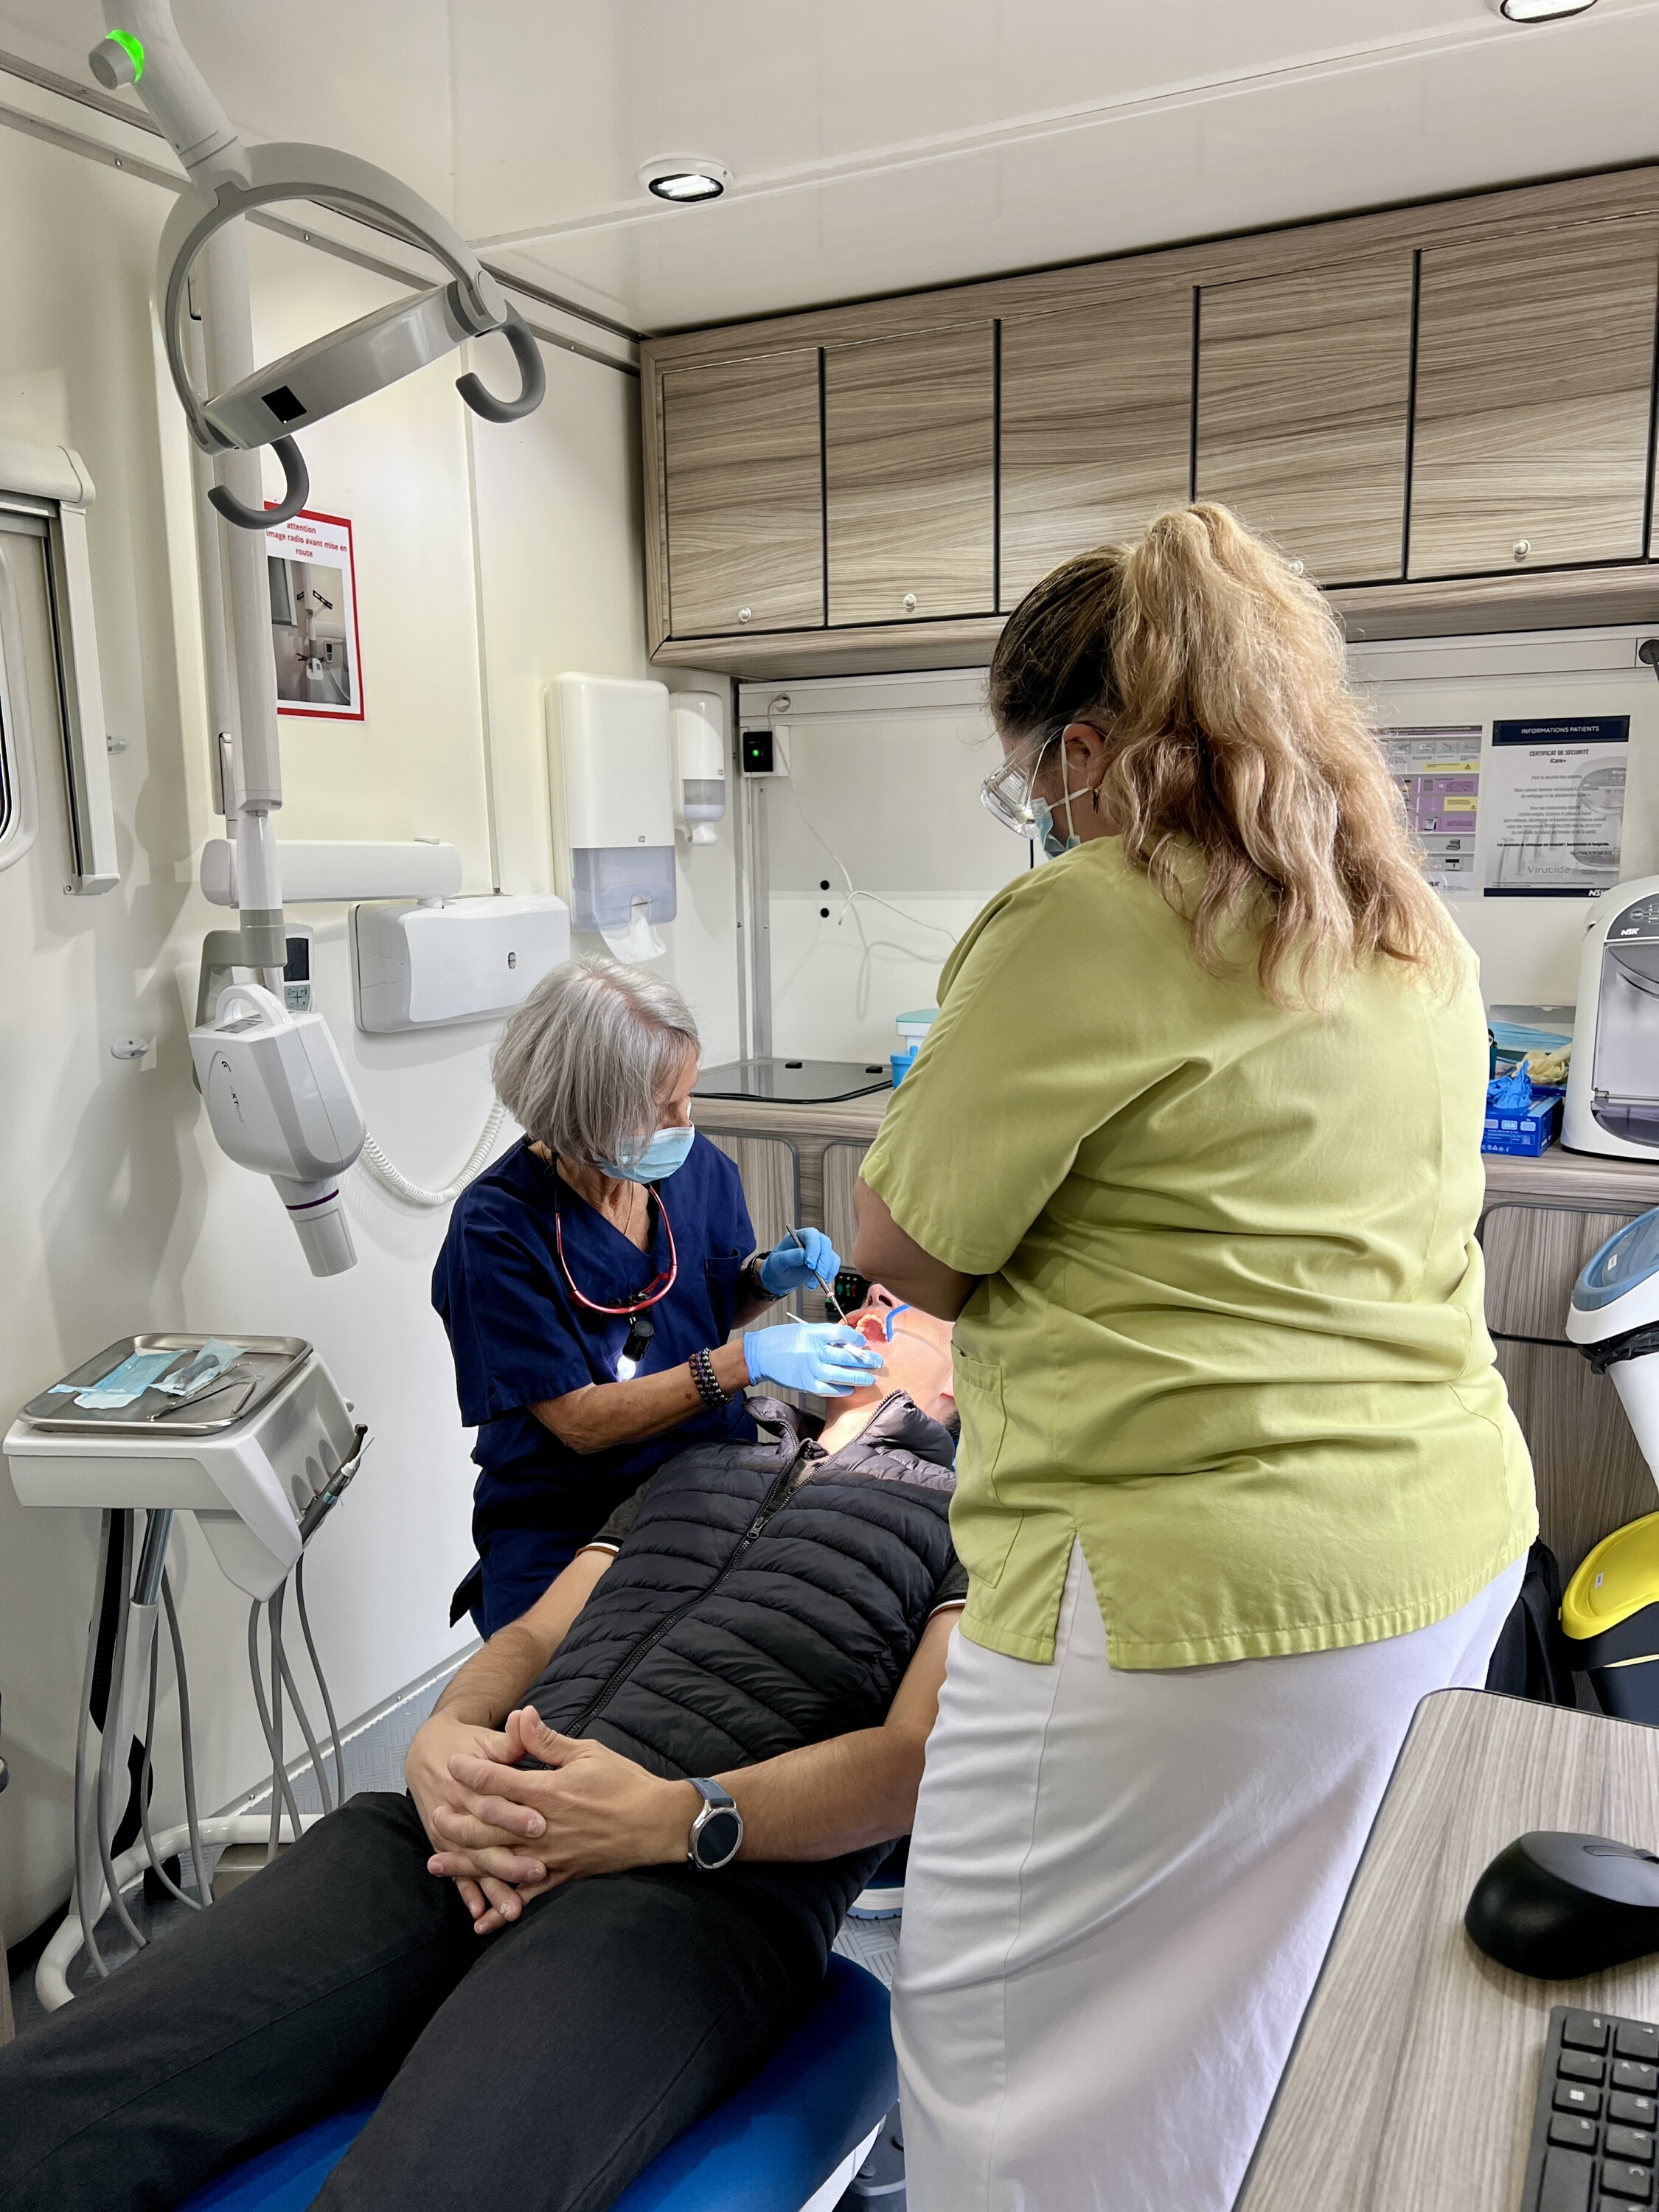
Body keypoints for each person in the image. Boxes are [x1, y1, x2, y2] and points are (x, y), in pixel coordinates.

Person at [851, 504, 1537, 2212]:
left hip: (1189, 1599)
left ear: (1085, 752)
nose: (1044, 815)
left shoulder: (1094, 912)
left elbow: (901, 1246)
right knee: (1256, 1996)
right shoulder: (1405, 924)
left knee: (1007, 2043)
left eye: (1034, 782)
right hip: (1438, 1563)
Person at [0, 1293, 964, 2212]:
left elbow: (914, 1760)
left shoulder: (974, 1528)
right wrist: (444, 1732)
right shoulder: (701, 1467)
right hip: (454, 1832)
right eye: (860, 1301)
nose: (863, 1311)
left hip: (687, 1892)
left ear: (971, 1373)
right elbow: (533, 1636)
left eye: (897, 1312)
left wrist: (675, 1817)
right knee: (55, 2098)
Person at [434, 956, 882, 1635]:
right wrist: (746, 1360)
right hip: (568, 1515)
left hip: (707, 1472)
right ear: (581, 1113)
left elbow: (699, 1305)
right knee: (560, 1672)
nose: (685, 1123)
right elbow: (580, 1424)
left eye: (687, 1097)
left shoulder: (697, 1171)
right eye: (659, 1109)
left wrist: (761, 1281)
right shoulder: (496, 1230)